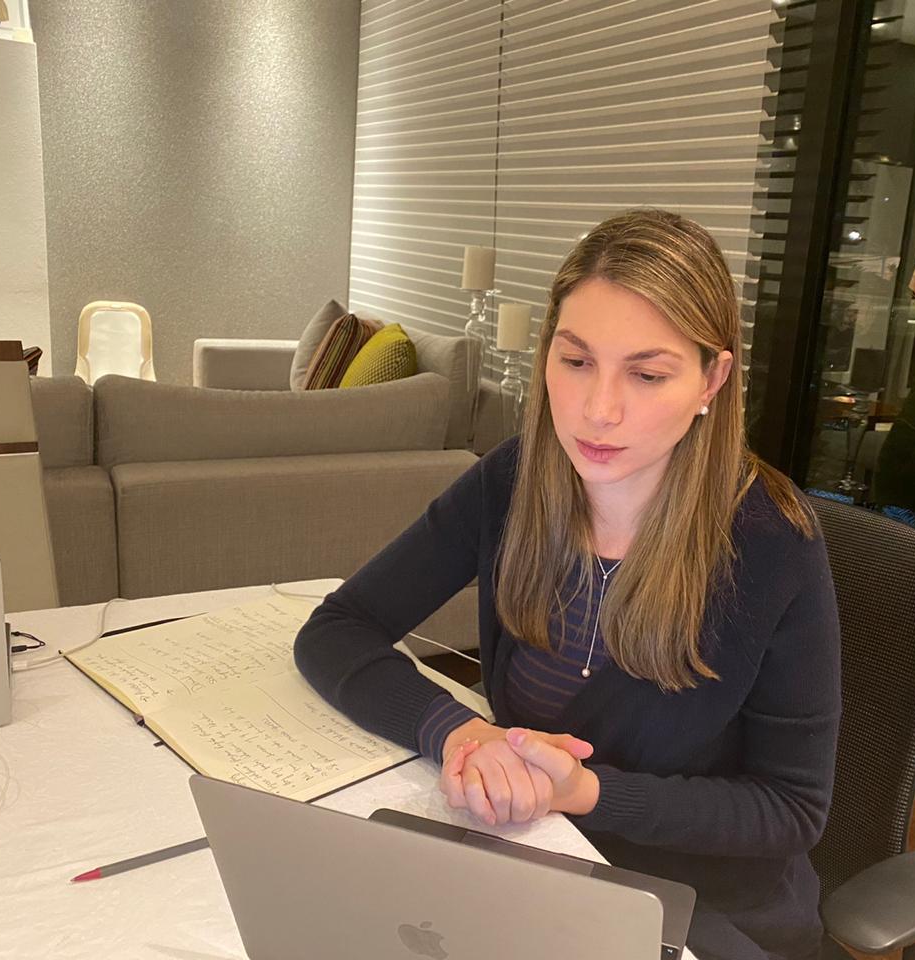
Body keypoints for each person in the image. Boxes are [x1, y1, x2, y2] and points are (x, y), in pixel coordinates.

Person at [294, 208, 841, 960]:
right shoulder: (513, 480)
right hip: (532, 864)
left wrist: (585, 792)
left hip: (694, 911)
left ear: (712, 380)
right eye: (576, 361)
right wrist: (459, 731)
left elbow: (790, 809)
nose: (598, 410)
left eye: (647, 374)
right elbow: (337, 629)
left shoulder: (772, 545)